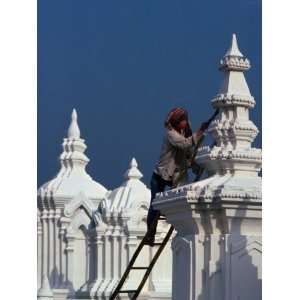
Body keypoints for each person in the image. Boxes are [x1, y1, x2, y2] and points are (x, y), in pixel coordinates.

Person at [145, 107, 210, 246]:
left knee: (181, 196)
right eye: (182, 120)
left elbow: (189, 155)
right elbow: (185, 144)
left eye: (186, 120)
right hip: (160, 175)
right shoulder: (171, 134)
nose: (185, 123)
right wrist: (200, 132)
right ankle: (150, 234)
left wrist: (197, 168)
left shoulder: (185, 133)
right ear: (176, 121)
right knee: (155, 205)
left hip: (175, 175)